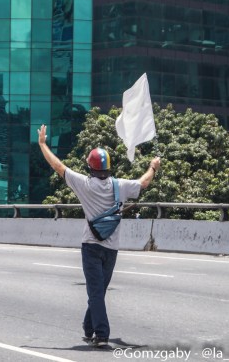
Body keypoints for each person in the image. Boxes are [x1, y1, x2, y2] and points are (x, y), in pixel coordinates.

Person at [37, 124, 160, 348]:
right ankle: (88, 327)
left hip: (91, 246)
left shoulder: (84, 185)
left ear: (90, 168)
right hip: (111, 249)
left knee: (96, 292)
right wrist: (153, 166)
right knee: (99, 291)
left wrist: (43, 144)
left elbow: (58, 166)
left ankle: (101, 334)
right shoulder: (120, 186)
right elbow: (144, 183)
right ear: (109, 167)